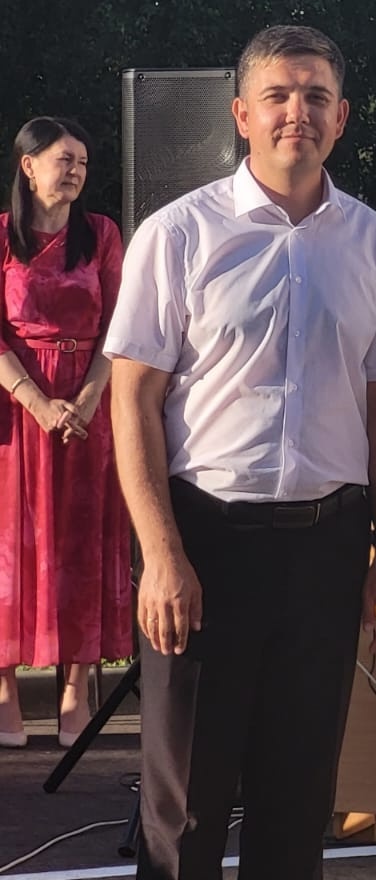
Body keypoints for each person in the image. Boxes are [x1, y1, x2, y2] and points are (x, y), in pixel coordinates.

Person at [104, 25, 376, 879]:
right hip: (206, 542)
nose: (298, 113)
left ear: (342, 117)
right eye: (278, 96)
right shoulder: (178, 235)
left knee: (298, 799)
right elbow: (132, 402)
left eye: (317, 96)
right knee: (185, 806)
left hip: (328, 549)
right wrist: (161, 555)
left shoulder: (374, 244)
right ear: (242, 114)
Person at [0, 117, 130, 749]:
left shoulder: (101, 234)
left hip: (87, 404)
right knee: (10, 545)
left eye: (82, 161)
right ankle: (4, 688)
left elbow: (122, 325)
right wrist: (34, 400)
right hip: (14, 404)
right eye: (64, 159)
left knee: (82, 541)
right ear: (28, 166)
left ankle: (76, 688)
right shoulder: (2, 236)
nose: (76, 170)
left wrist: (87, 396)